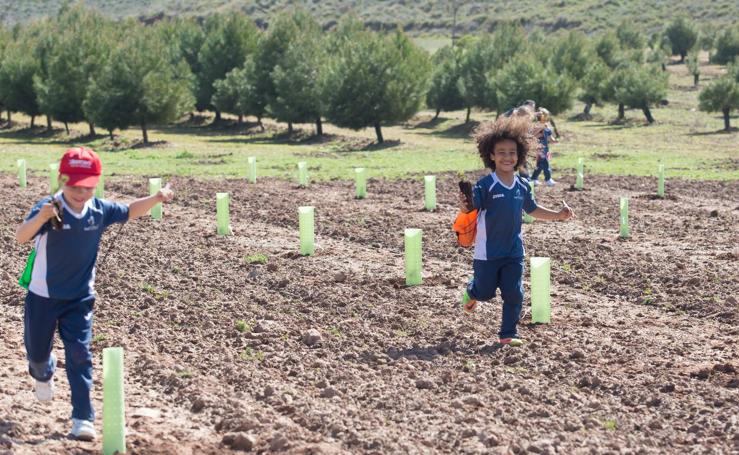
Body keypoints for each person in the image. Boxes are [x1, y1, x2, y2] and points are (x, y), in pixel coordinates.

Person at [15, 147, 174, 441]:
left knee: (79, 354)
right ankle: (43, 372)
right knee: (37, 355)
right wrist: (41, 218)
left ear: (96, 183)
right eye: (74, 186)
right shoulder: (49, 208)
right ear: (62, 180)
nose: (81, 192)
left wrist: (156, 198)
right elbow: (21, 236)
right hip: (43, 297)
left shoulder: (99, 210)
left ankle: (82, 417)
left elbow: (129, 211)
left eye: (87, 186)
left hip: (79, 299)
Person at [458, 116, 575, 346]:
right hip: (488, 253)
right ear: (491, 155)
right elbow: (471, 207)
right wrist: (465, 205)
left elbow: (531, 209)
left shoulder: (522, 184)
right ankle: (472, 291)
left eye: (512, 152)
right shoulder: (485, 185)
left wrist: (558, 216)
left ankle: (508, 334)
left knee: (514, 293)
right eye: (501, 152)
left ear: (519, 156)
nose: (507, 157)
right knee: (485, 293)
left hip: (513, 252)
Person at [531, 108, 558, 186]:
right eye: (545, 116)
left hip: (546, 149)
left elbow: (550, 137)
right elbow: (532, 136)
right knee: (545, 164)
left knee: (540, 165)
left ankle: (533, 178)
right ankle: (548, 179)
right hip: (539, 149)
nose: (546, 118)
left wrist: (554, 140)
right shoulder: (536, 126)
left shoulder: (547, 127)